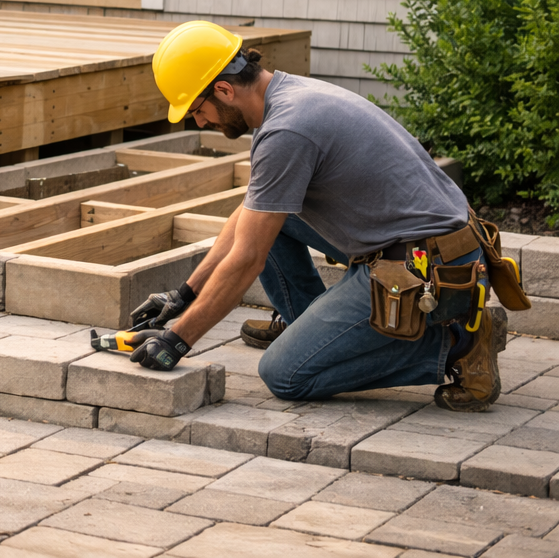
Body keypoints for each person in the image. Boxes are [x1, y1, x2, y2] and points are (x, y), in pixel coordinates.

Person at [119, 20, 528, 412]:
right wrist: (183, 295)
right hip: (427, 244)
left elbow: (246, 259)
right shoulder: (284, 96)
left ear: (224, 89)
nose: (198, 120)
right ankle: (308, 328)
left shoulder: (286, 131)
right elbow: (249, 214)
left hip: (428, 266)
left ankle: (459, 343)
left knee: (285, 374)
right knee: (266, 222)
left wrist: (178, 339)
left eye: (195, 110)